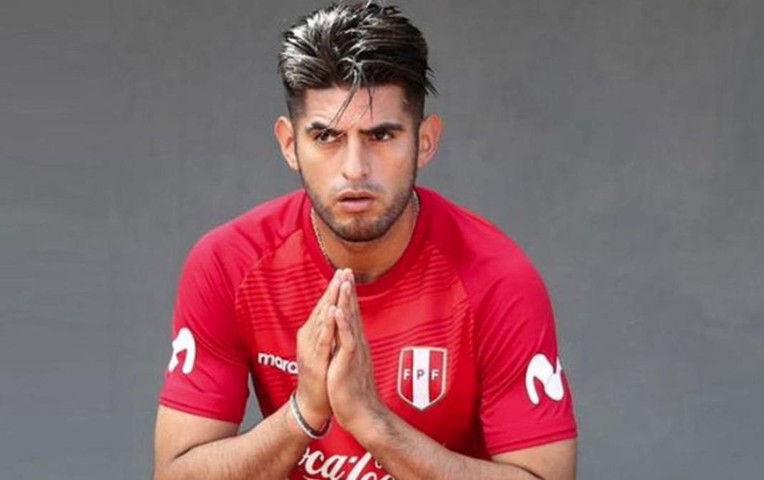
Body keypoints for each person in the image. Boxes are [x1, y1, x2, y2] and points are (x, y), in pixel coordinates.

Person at [153, 3, 578, 479]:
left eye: (380, 135)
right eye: (326, 137)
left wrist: (372, 422)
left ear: (424, 142)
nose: (354, 168)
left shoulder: (497, 280)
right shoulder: (229, 265)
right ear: (290, 144)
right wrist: (302, 413)